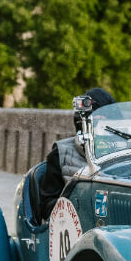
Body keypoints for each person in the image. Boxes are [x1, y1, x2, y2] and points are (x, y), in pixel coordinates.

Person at [38, 87, 114, 218]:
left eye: (106, 121)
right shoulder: (60, 154)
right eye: (95, 119)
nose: (100, 125)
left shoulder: (122, 153)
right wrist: (80, 202)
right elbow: (46, 208)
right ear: (82, 122)